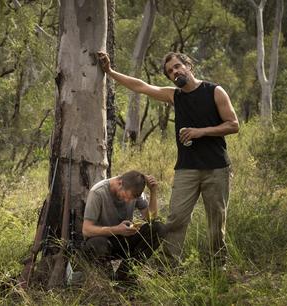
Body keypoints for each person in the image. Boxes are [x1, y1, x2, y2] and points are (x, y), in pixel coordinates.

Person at [97, 51, 239, 267]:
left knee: (216, 220)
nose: (175, 72)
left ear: (188, 65)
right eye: (170, 71)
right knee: (175, 220)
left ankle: (217, 265)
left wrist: (200, 132)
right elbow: (141, 86)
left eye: (178, 66)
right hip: (186, 169)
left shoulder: (215, 91)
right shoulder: (175, 96)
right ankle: (168, 266)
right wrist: (109, 71)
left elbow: (233, 124)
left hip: (216, 167)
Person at [82, 170, 165, 280]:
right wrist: (116, 230)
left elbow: (151, 218)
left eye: (131, 199)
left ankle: (125, 274)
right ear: (119, 183)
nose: (127, 201)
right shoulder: (98, 192)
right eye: (125, 196)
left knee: (158, 228)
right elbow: (86, 230)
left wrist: (153, 192)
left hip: (125, 239)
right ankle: (107, 277)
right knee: (97, 243)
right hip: (104, 242)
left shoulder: (135, 190)